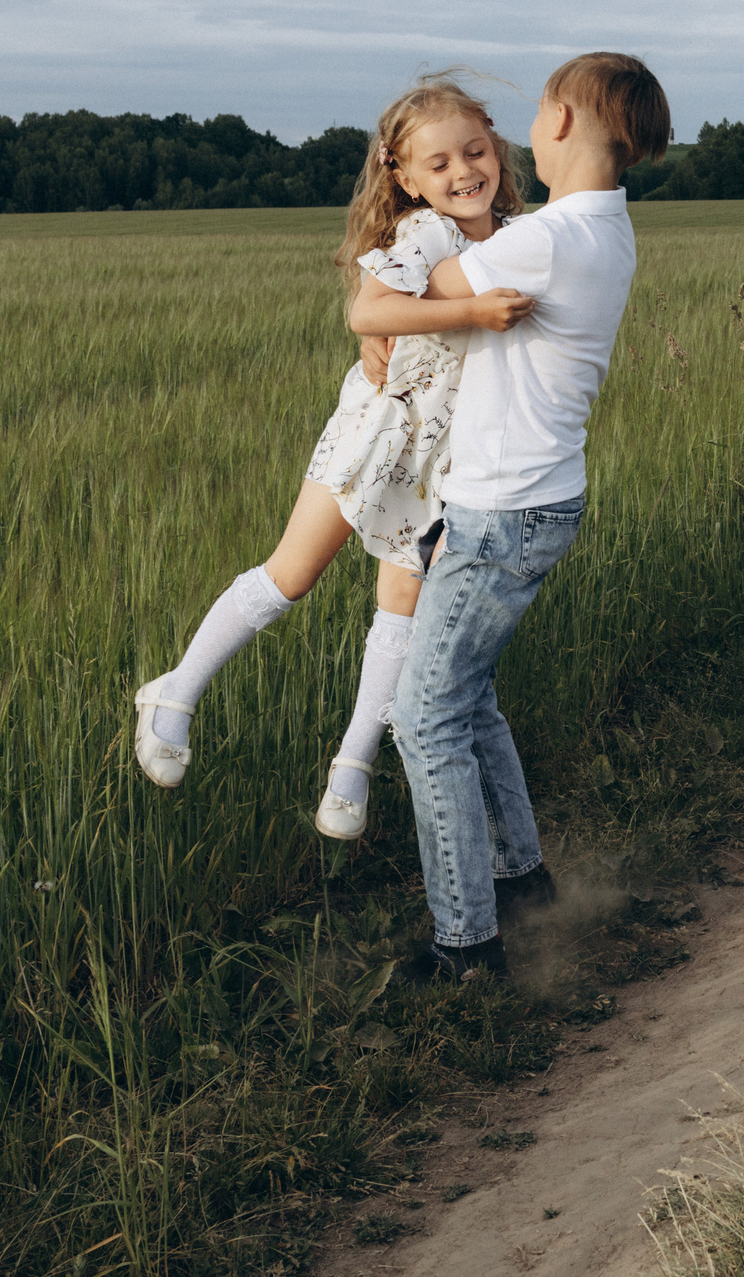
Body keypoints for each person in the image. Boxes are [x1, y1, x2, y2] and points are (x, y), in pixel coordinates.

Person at [132, 75, 535, 842]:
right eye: (439, 164)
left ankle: (351, 766)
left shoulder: (518, 234)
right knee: (292, 573)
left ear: (497, 146)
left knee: (401, 603)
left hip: (447, 458)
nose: (462, 173)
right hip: (375, 432)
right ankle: (175, 691)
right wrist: (474, 312)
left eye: (475, 151)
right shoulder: (423, 234)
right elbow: (367, 310)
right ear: (406, 178)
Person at [367, 52, 672, 983]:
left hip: (501, 513)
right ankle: (525, 878)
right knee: (472, 696)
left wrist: (382, 315)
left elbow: (399, 295)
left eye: (534, 113)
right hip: (538, 503)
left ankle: (467, 943)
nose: (518, 134)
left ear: (567, 124)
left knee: (423, 719)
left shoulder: (545, 240)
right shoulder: (599, 229)